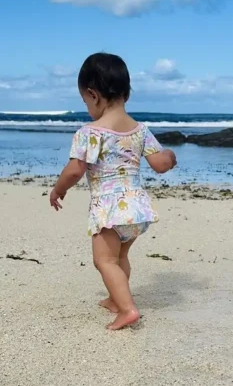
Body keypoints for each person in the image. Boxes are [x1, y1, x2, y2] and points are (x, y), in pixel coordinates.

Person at [50, 53, 177, 330]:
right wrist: (170, 156)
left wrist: (58, 190)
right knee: (119, 258)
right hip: (137, 210)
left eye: (85, 101)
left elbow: (75, 170)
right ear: (126, 93)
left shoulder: (90, 132)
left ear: (93, 95)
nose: (87, 108)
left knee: (104, 260)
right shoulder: (141, 130)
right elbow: (159, 163)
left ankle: (128, 309)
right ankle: (114, 298)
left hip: (110, 211)